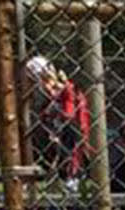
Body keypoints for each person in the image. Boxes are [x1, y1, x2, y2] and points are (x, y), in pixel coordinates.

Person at [24, 55, 89, 192]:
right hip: (55, 132)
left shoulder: (66, 90)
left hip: (72, 132)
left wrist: (54, 125)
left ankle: (71, 177)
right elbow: (44, 115)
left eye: (33, 80)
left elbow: (70, 115)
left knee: (70, 134)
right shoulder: (46, 97)